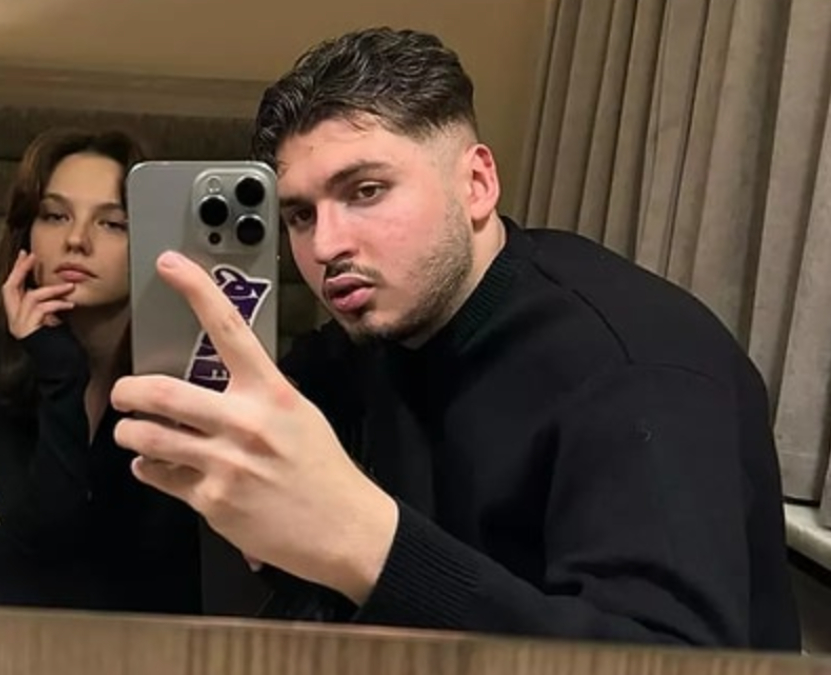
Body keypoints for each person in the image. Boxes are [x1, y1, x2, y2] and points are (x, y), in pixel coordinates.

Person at [108, 27, 802, 649]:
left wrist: (367, 541)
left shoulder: (635, 369)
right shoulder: (378, 331)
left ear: (476, 183)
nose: (326, 245)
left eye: (366, 191)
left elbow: (666, 661)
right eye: (299, 216)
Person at [0, 128, 203, 614]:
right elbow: (43, 536)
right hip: (54, 568)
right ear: (26, 232)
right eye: (55, 216)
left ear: (152, 241)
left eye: (112, 223)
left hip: (167, 598)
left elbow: (143, 548)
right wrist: (59, 371)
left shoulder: (189, 358)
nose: (76, 240)